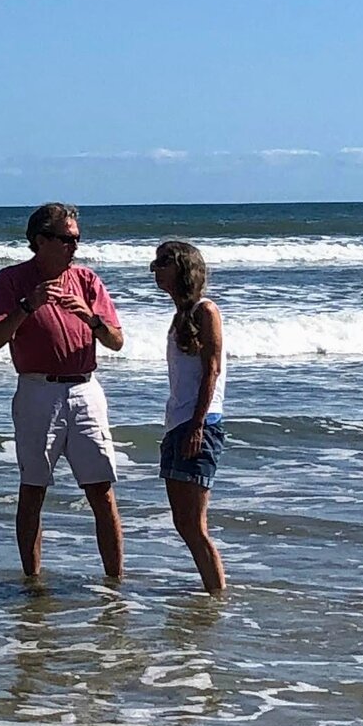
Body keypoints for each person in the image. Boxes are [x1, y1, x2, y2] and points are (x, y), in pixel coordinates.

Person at [0, 203, 126, 578]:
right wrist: (28, 306)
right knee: (33, 489)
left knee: (102, 490)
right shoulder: (12, 280)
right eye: (66, 239)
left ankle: (115, 583)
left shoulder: (87, 281)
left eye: (76, 239)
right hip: (37, 391)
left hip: (85, 389)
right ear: (40, 240)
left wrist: (89, 318)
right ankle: (32, 582)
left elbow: (117, 342)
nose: (74, 246)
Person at [150, 240, 228, 594]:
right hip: (178, 423)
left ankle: (218, 595)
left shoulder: (205, 310)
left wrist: (197, 424)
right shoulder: (180, 315)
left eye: (163, 263)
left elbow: (211, 370)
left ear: (183, 268)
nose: (155, 270)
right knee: (182, 523)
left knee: (194, 525)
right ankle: (212, 592)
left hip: (200, 425)